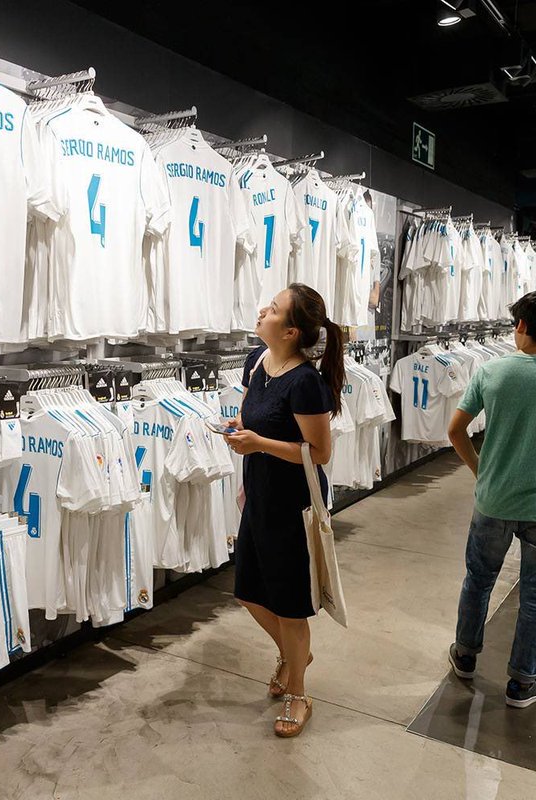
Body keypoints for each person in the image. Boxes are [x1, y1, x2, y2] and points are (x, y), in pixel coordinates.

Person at [446, 291, 536, 709]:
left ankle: (465, 655)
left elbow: (456, 430)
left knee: (478, 582)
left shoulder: (491, 371)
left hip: (493, 501)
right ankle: (522, 682)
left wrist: (482, 472)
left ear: (523, 326)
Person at [224, 283, 344, 738]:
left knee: (291, 608)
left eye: (272, 309)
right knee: (249, 592)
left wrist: (257, 443)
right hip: (258, 496)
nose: (262, 310)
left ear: (291, 330)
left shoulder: (306, 382)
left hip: (292, 506)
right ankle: (294, 656)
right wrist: (239, 428)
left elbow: (319, 452)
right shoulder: (256, 363)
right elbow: (248, 414)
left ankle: (299, 693)